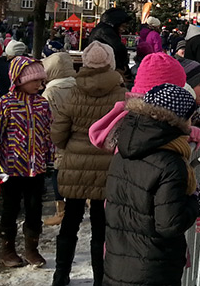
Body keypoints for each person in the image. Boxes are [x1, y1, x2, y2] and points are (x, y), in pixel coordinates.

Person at [104, 83, 200, 286]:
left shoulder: (123, 151)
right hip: (153, 269)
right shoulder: (170, 164)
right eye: (190, 117)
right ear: (178, 120)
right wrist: (194, 203)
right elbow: (169, 224)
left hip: (118, 264)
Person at [50, 41, 124, 286]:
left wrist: (71, 145)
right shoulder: (120, 94)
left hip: (76, 165)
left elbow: (58, 134)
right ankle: (100, 279)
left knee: (70, 222)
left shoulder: (74, 92)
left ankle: (60, 275)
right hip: (107, 167)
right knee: (100, 227)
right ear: (110, 62)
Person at [0, 56, 53, 268]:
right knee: (10, 208)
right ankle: (7, 249)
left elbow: (48, 134)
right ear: (20, 80)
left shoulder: (42, 104)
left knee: (34, 209)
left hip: (36, 168)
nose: (39, 85)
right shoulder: (4, 104)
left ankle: (32, 249)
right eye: (35, 81)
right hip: (10, 168)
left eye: (41, 80)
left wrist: (50, 159)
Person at [41, 51, 78, 227]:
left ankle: (61, 211)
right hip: (79, 137)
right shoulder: (78, 87)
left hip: (58, 139)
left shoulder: (50, 92)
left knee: (58, 173)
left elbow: (47, 118)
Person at [88, 7, 130, 81]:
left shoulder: (102, 29)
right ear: (116, 23)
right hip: (105, 68)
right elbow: (119, 49)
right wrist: (122, 66)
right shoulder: (106, 31)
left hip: (100, 67)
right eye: (123, 26)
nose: (124, 30)